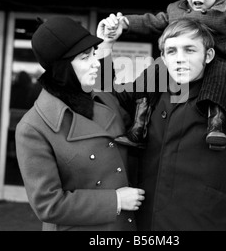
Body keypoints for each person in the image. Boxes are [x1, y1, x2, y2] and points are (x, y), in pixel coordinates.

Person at [97, 0, 226, 230]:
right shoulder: (149, 93)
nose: (180, 58)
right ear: (163, 59)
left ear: (208, 56)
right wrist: (106, 44)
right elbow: (104, 97)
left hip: (208, 222)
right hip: (150, 226)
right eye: (172, 51)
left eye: (190, 49)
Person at [103, 0, 226, 151]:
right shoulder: (176, 10)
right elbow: (154, 21)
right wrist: (125, 23)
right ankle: (139, 127)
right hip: (182, 63)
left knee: (218, 79)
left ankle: (216, 126)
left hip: (217, 60)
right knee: (152, 74)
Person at [15, 16, 145, 231]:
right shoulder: (32, 127)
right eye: (85, 58)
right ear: (63, 67)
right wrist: (115, 201)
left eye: (94, 54)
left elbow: (105, 82)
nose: (95, 62)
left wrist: (108, 43)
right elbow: (48, 205)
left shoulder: (103, 97)